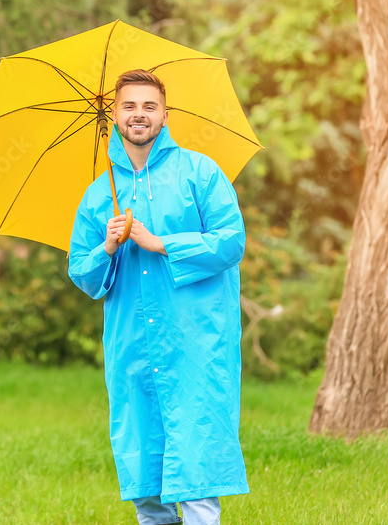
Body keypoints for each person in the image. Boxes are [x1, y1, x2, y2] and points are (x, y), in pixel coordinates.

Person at [68, 69, 249, 525]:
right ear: (115, 114)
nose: (139, 115)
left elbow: (232, 241)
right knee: (144, 467)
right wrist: (107, 247)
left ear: (165, 115)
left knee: (197, 463)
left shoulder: (200, 172)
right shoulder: (98, 194)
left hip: (195, 340)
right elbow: (82, 274)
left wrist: (162, 242)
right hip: (133, 343)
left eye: (149, 106)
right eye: (129, 105)